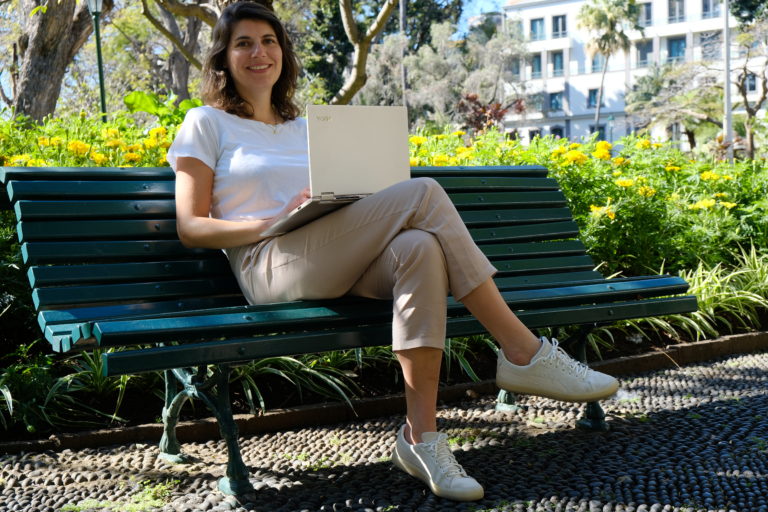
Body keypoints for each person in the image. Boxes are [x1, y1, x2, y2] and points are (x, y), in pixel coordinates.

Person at [168, 1, 619, 502]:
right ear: (223, 59)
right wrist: (271, 221)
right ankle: (520, 349)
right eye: (244, 43)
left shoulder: (305, 128)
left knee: (420, 247)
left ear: (283, 54)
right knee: (423, 192)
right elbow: (192, 227)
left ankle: (420, 439)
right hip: (268, 265)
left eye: (269, 41)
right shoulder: (206, 123)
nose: (259, 53)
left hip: (329, 248)